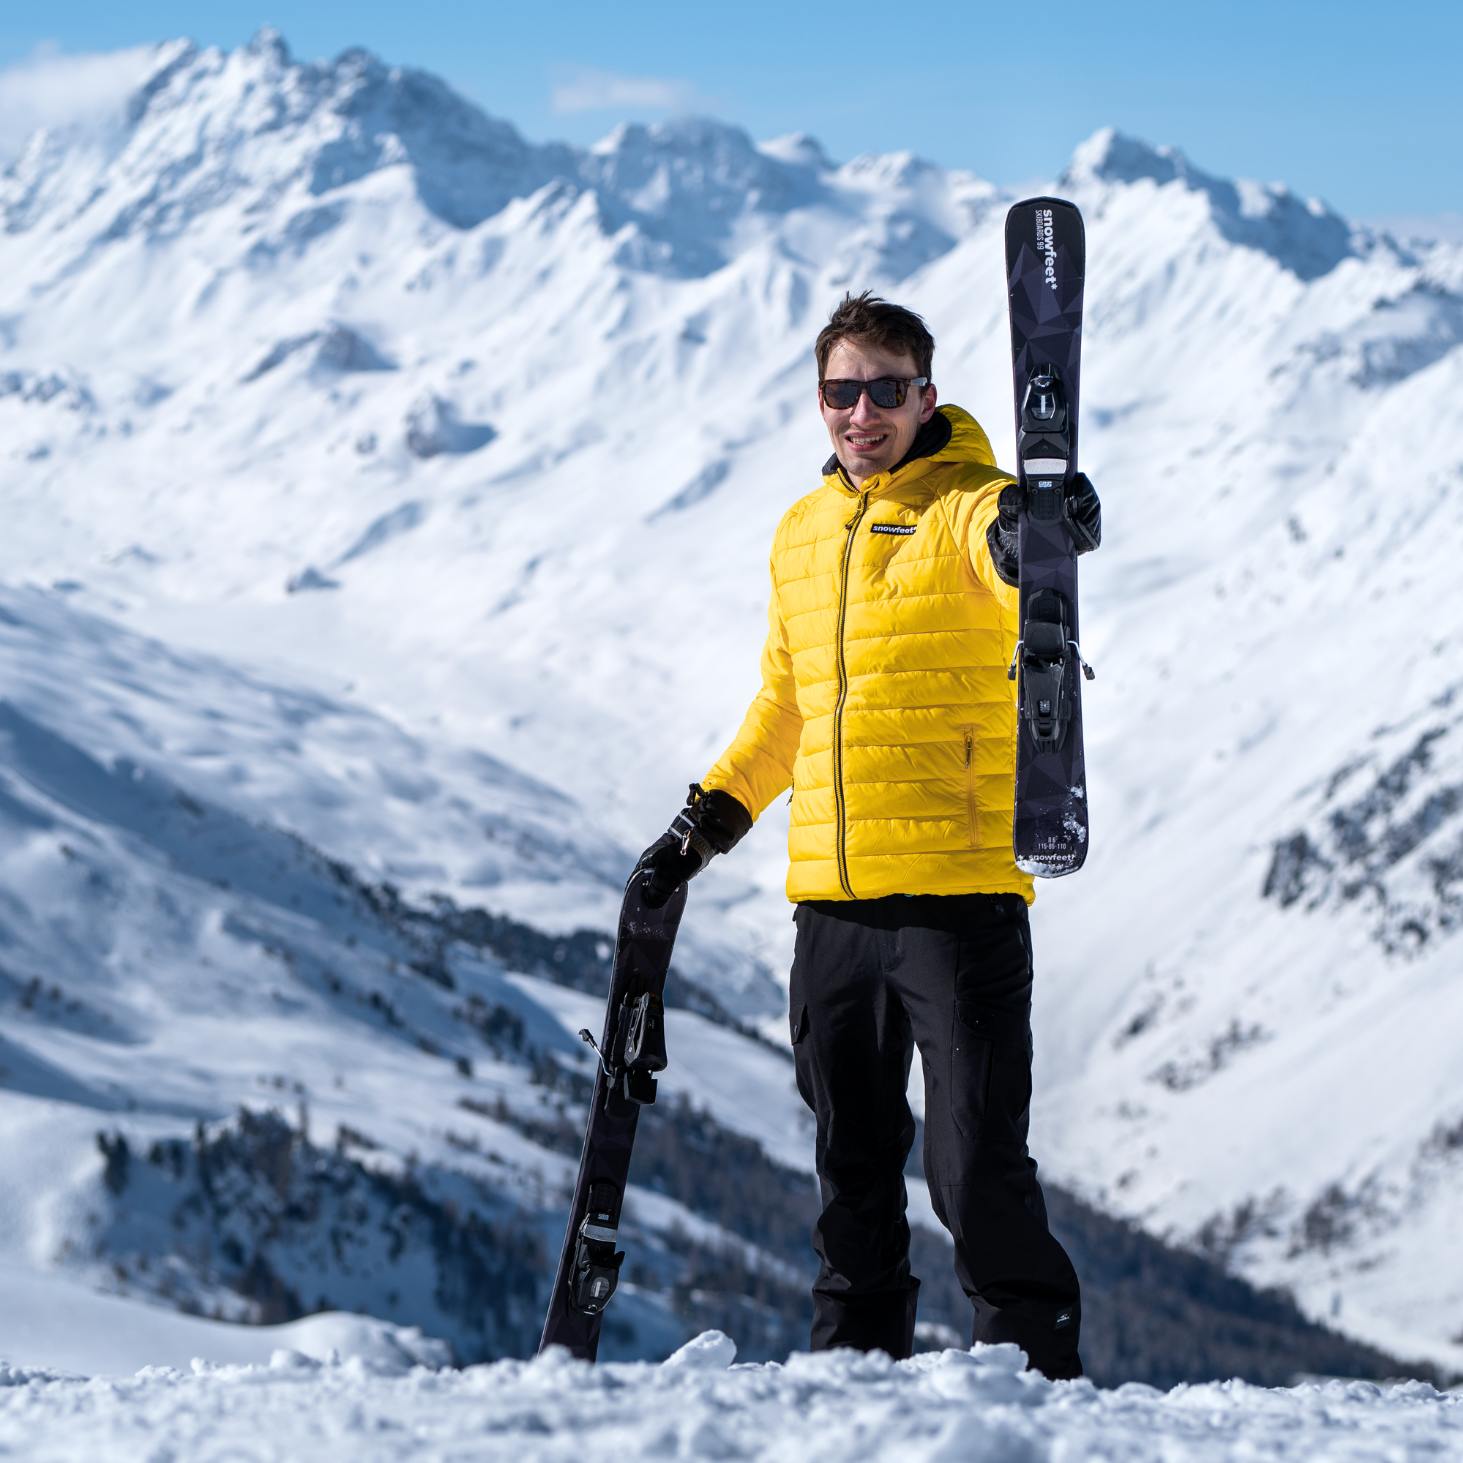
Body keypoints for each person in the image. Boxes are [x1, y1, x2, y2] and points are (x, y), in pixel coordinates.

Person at [635, 292, 1099, 1380]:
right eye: (841, 391)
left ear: (924, 396)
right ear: (819, 400)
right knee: (848, 1172)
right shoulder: (802, 533)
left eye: (885, 389)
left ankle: (1036, 1384)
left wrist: (1041, 527)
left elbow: (1006, 551)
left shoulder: (966, 503)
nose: (861, 412)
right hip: (832, 909)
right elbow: (785, 705)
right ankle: (850, 1384)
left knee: (972, 1167)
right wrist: (702, 823)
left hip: (956, 902)